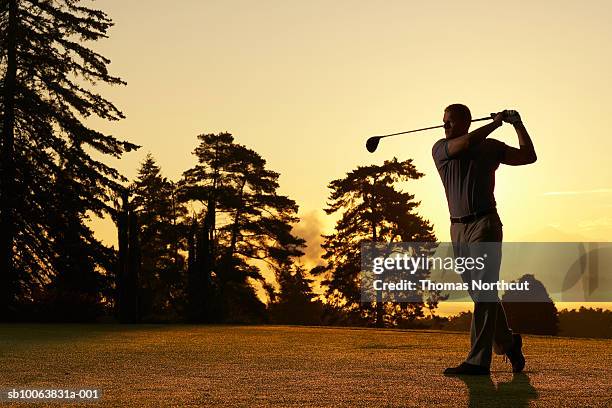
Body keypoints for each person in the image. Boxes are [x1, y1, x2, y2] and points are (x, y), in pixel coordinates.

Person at [432, 104, 537, 375]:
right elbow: (465, 143)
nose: (446, 126)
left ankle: (478, 362)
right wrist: (496, 122)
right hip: (457, 230)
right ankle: (508, 342)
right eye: (444, 122)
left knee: (483, 290)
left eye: (451, 122)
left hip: (485, 224)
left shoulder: (490, 146)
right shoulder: (441, 148)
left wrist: (517, 124)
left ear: (466, 121)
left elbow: (528, 156)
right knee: (482, 292)